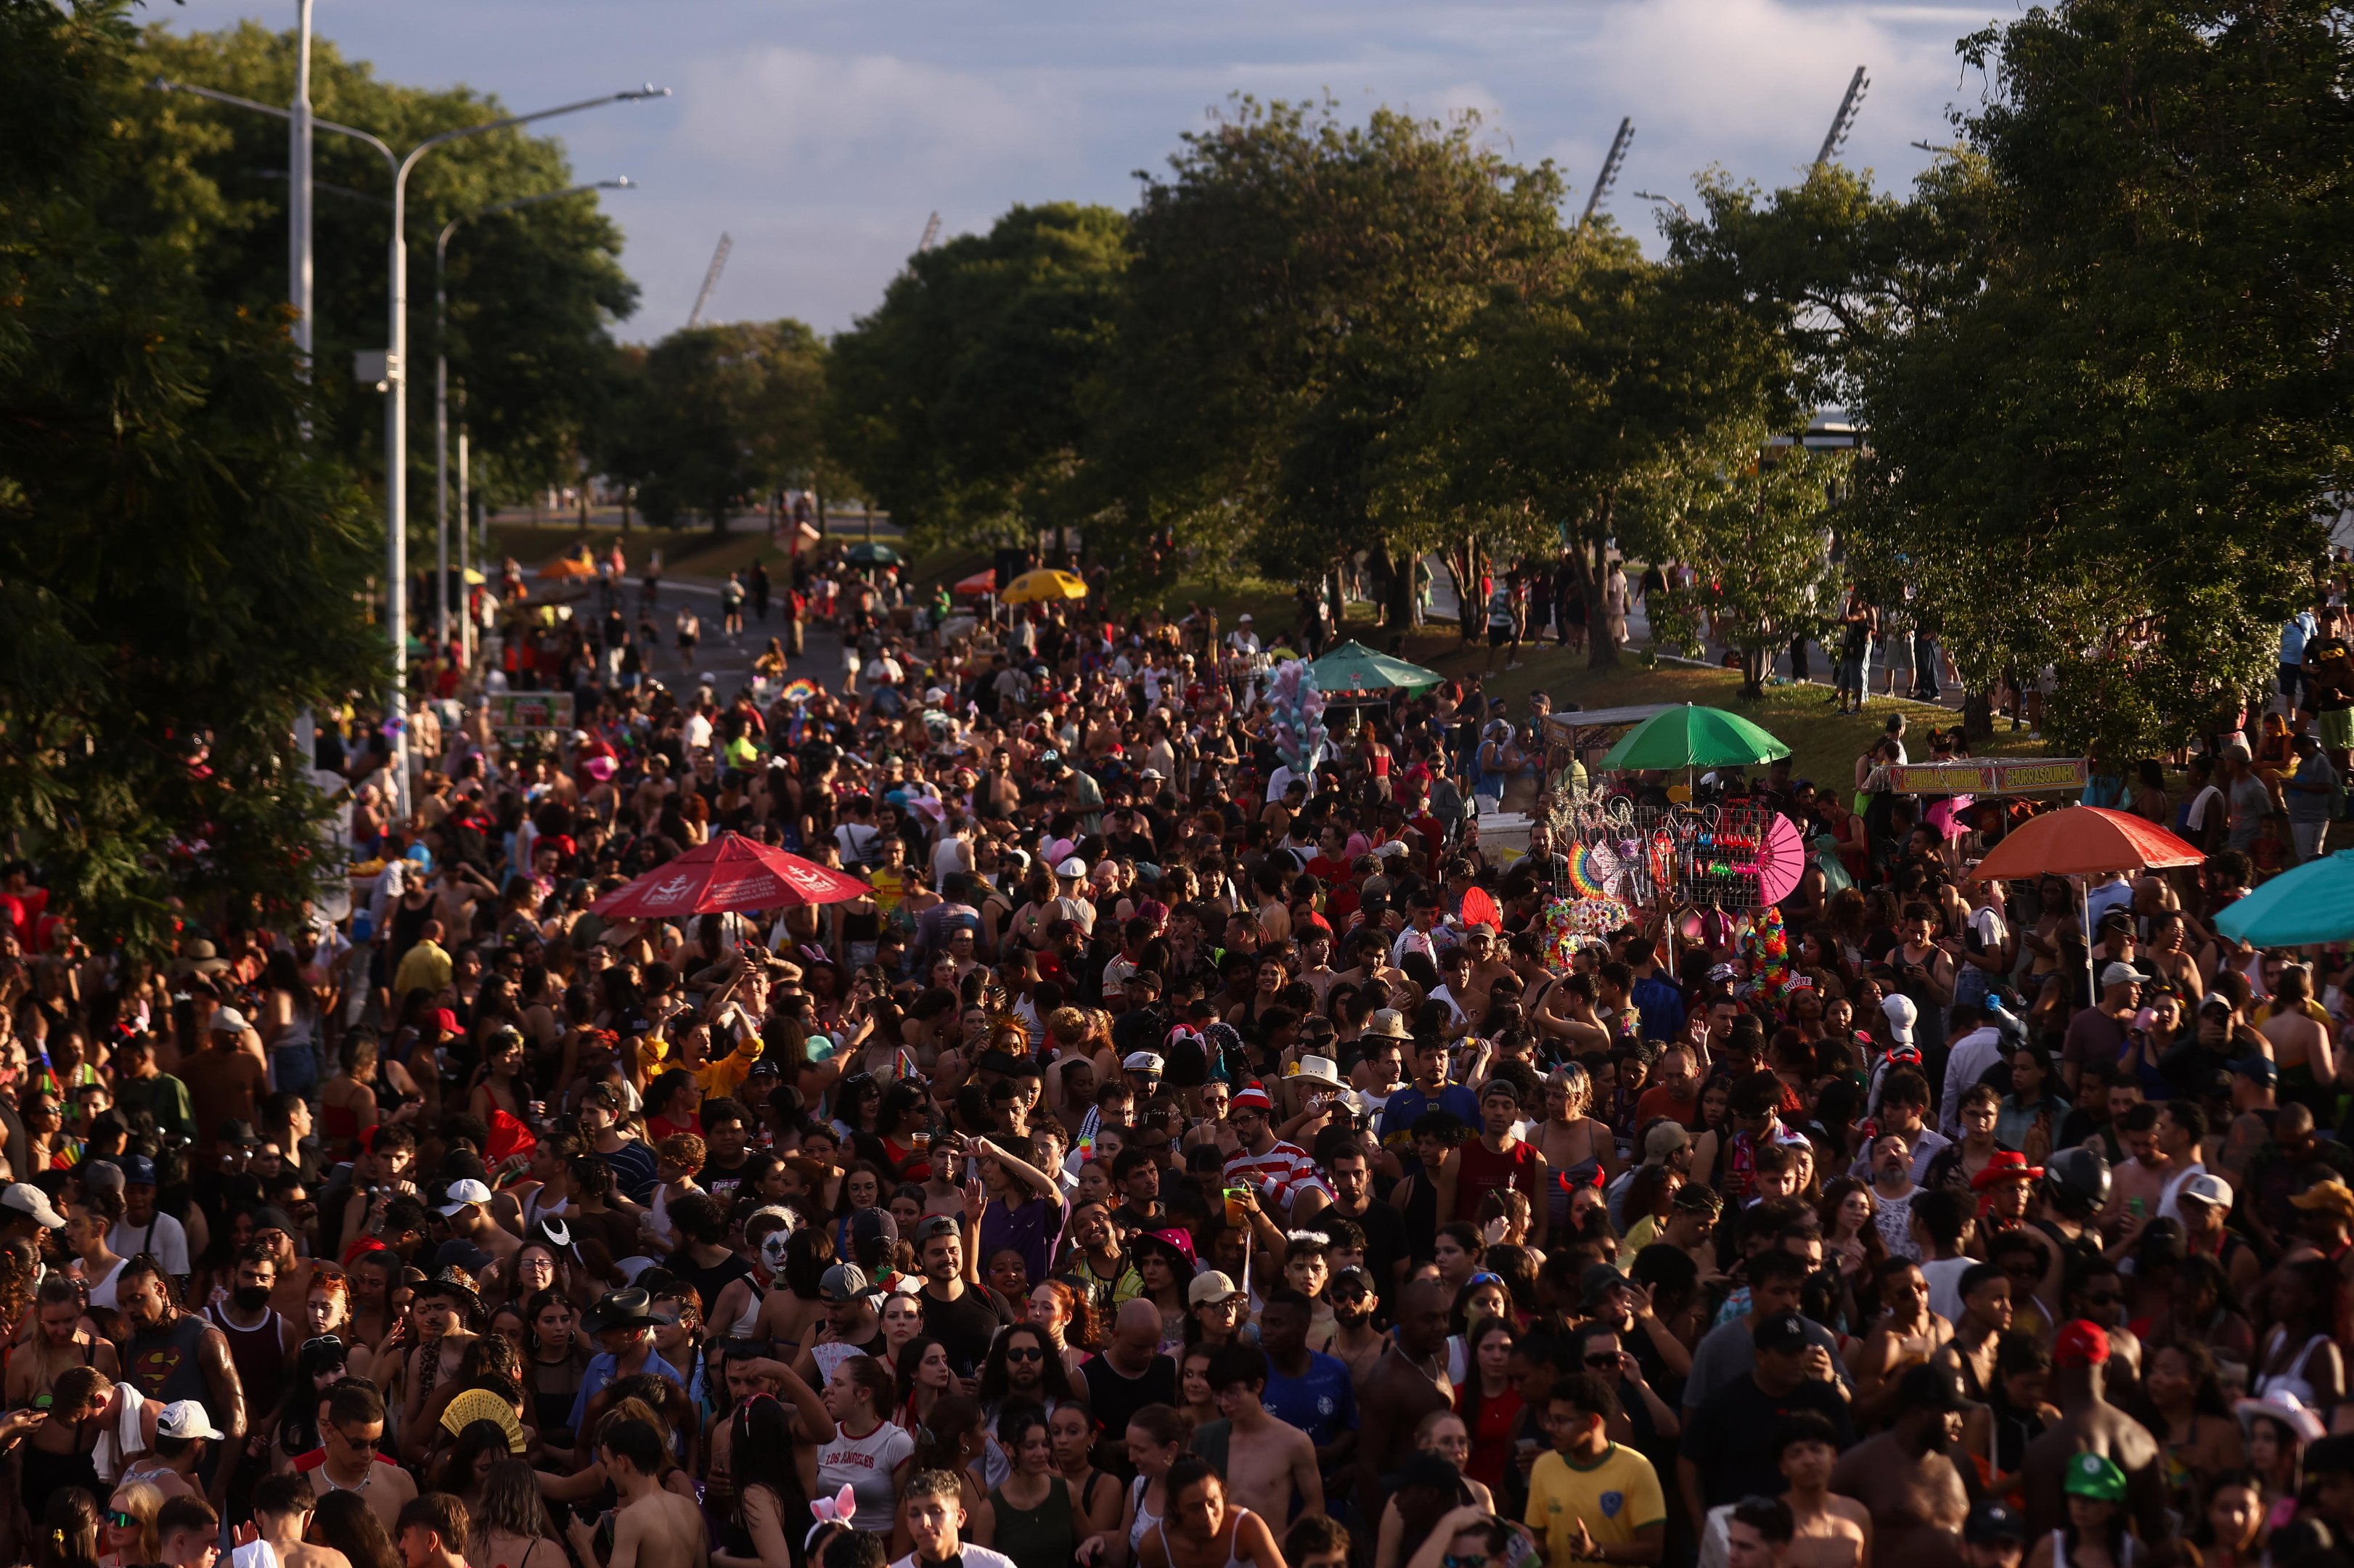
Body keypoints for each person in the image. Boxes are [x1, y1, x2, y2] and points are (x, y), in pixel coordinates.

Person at [1829, 1364, 1971, 1568]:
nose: (1959, 1423)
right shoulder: (1859, 1465)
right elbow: (1818, 1523)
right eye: (1949, 1412)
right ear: (1920, 1411)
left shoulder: (1960, 1463)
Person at [1524, 1371, 1666, 1567]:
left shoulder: (1637, 1469)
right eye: (1550, 1419)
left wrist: (1596, 1550)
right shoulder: (1543, 1466)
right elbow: (1540, 1541)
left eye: (1562, 1421)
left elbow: (1653, 1550)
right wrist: (1527, 1545)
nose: (1551, 1428)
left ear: (1593, 1422)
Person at [562, 1418, 708, 1568]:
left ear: (621, 1462)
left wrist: (584, 1548)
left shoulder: (630, 1519)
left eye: (607, 1463)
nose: (608, 1471)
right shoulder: (689, 1508)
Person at [1138, 1458, 1283, 1568]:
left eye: (1212, 1503)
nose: (1207, 1515)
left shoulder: (1247, 1527)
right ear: (1175, 1507)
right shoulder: (1154, 1546)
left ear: (1223, 1495)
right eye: (1195, 1508)